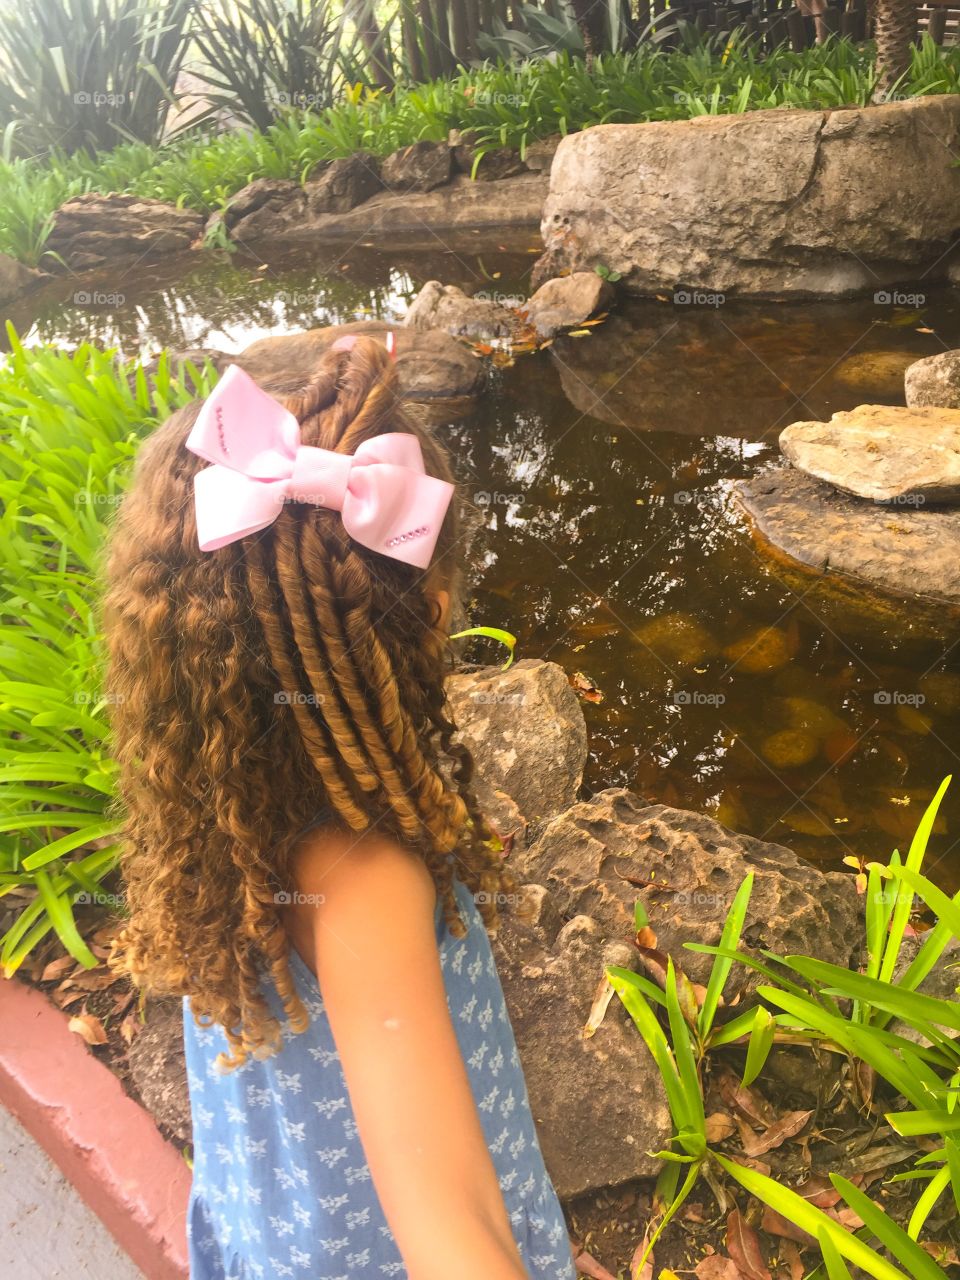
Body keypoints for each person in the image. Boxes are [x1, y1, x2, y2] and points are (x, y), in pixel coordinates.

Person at [103, 335, 577, 1280]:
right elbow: (449, 1229)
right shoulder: (364, 877)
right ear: (432, 611)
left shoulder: (225, 808)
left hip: (277, 1221)